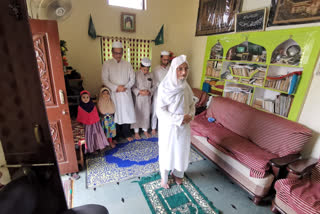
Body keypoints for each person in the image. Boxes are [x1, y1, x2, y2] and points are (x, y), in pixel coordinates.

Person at [157, 55, 195, 189]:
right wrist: (179, 119)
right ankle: (164, 177)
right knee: (168, 151)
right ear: (173, 69)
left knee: (181, 150)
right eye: (180, 69)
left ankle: (178, 173)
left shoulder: (186, 86)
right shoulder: (164, 87)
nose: (183, 72)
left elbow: (192, 104)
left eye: (185, 69)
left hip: (184, 127)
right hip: (169, 128)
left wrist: (190, 115)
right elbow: (160, 111)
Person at [101, 41, 136, 142]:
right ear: (112, 53)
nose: (118, 55)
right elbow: (104, 79)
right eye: (116, 53)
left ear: (123, 52)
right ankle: (115, 136)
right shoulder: (107, 64)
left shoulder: (127, 64)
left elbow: (132, 79)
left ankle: (126, 133)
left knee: (126, 113)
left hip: (125, 92)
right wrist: (116, 87)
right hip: (114, 93)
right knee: (115, 114)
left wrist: (125, 87)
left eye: (120, 53)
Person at [131, 58, 154, 139]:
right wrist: (139, 92)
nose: (145, 71)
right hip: (138, 98)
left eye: (147, 70)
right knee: (137, 114)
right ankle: (136, 132)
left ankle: (145, 130)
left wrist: (149, 91)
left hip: (147, 98)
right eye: (144, 69)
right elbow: (132, 87)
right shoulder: (136, 74)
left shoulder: (151, 75)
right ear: (140, 67)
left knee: (146, 114)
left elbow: (154, 86)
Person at [151, 51, 170, 136]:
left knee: (166, 111)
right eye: (164, 59)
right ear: (161, 58)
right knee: (156, 111)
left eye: (167, 60)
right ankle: (153, 128)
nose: (166, 61)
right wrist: (163, 87)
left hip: (168, 94)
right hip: (158, 93)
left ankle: (163, 127)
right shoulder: (156, 69)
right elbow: (154, 81)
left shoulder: (171, 69)